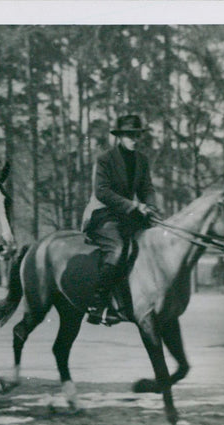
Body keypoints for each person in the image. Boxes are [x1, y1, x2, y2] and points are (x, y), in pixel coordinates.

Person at [81, 114, 161, 325]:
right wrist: (133, 205)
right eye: (129, 135)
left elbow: (147, 188)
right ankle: (97, 305)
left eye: (136, 135)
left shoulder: (142, 160)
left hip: (128, 216)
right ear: (120, 137)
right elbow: (102, 192)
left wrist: (151, 206)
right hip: (104, 214)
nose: (134, 139)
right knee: (117, 250)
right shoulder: (105, 160)